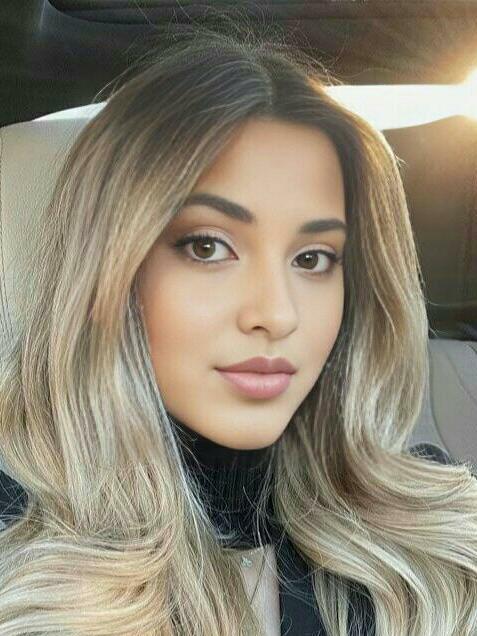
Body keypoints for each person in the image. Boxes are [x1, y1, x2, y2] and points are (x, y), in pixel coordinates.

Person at [0, 17, 476, 636]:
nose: (276, 314)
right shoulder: (20, 536)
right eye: (207, 247)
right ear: (106, 267)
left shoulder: (432, 515)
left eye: (314, 259)